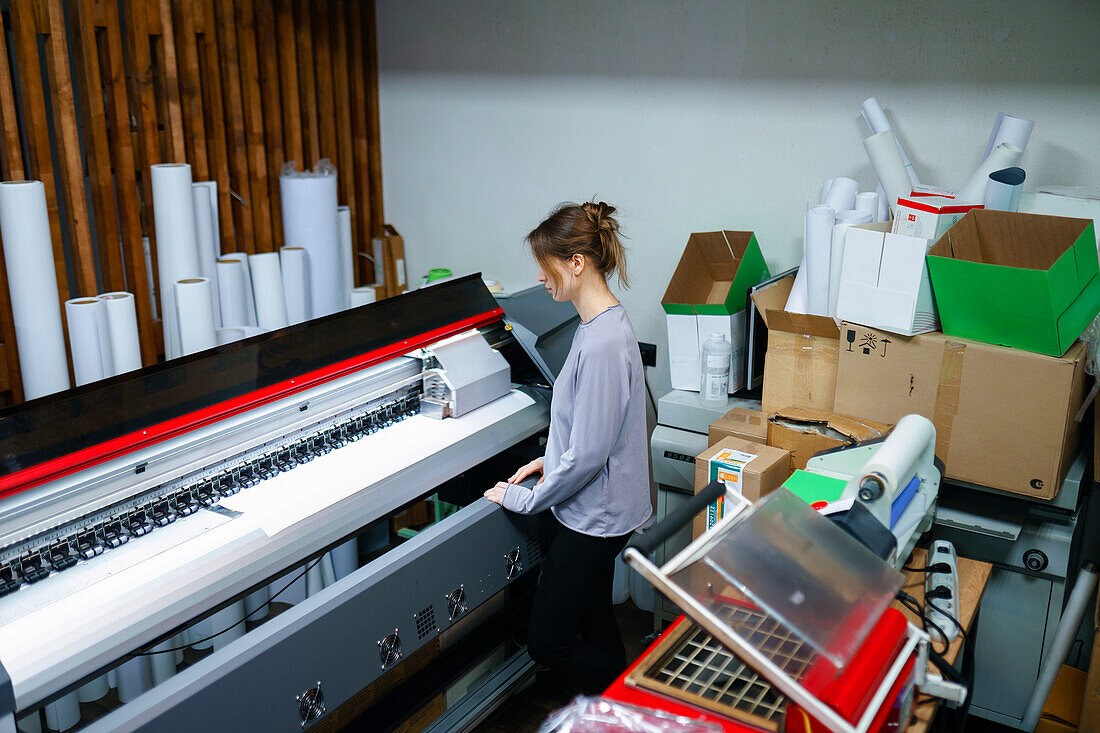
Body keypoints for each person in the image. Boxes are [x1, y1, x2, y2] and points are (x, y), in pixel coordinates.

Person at [483, 200, 651, 693]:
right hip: (604, 508)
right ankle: (610, 714)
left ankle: (626, 700)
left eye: (546, 264)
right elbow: (592, 431)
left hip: (594, 519)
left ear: (576, 263)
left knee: (548, 641)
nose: (539, 276)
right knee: (596, 619)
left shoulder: (600, 343)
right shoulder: (601, 325)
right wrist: (545, 459)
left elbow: (589, 455)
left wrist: (524, 497)